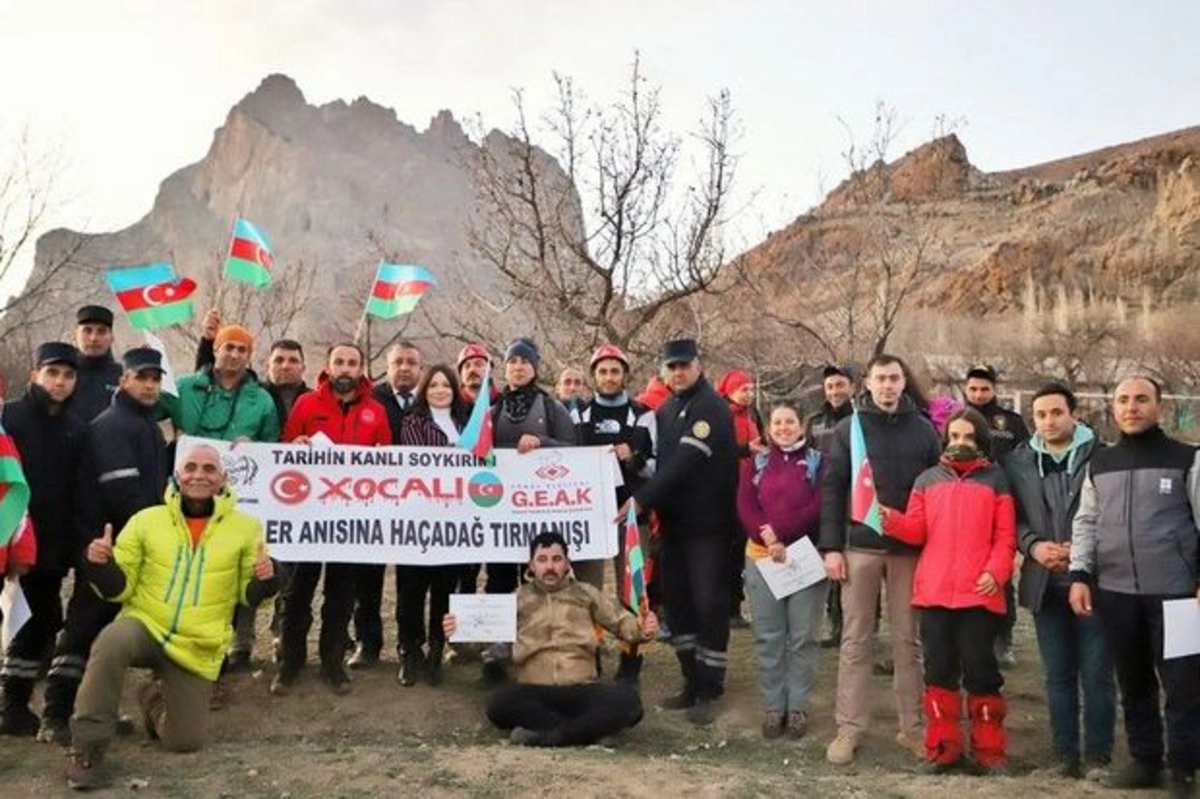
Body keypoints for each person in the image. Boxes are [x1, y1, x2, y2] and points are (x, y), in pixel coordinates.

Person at [64, 444, 277, 790]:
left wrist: (267, 580)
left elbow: (247, 596)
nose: (199, 475)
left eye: (209, 469)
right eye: (190, 467)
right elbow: (120, 590)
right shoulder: (146, 520)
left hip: (197, 642)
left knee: (184, 742)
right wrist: (100, 566)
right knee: (111, 641)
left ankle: (152, 700)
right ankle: (87, 747)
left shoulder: (246, 528)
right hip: (146, 626)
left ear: (222, 479)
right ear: (178, 475)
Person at [1069, 377, 1200, 796]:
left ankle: (1183, 768)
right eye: (1123, 400)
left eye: (1141, 399)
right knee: (1134, 679)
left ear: (1159, 407)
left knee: (1183, 684)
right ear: (1113, 408)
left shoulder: (1188, 459)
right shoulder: (1100, 463)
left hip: (1178, 596)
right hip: (1117, 594)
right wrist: (1079, 575)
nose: (1131, 407)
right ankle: (1146, 760)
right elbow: (1086, 523)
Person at [39, 347, 169, 745]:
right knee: (83, 628)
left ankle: (95, 711)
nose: (148, 385)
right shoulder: (114, 425)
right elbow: (123, 494)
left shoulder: (143, 423)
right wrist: (158, 535)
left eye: (154, 379)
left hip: (127, 545)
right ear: (124, 379)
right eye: (141, 378)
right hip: (107, 547)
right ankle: (55, 715)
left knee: (108, 635)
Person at [819, 353, 941, 765]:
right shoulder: (847, 429)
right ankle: (849, 728)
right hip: (859, 547)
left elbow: (934, 493)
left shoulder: (925, 431)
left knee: (908, 641)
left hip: (908, 551)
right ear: (867, 384)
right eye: (880, 379)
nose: (888, 385)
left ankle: (913, 727)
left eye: (894, 378)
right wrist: (831, 547)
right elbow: (833, 489)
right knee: (856, 640)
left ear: (903, 383)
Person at [880, 408, 1017, 775]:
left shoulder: (996, 480)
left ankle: (990, 752)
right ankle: (943, 749)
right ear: (945, 440)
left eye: (969, 436)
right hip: (936, 592)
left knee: (982, 672)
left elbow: (1005, 538)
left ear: (981, 440)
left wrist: (996, 572)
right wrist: (891, 521)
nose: (961, 443)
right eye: (954, 436)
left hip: (979, 593)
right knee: (939, 672)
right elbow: (916, 530)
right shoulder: (926, 480)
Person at [445, 532, 656, 747]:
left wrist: (642, 628)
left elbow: (621, 623)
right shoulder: (516, 599)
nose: (550, 567)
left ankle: (547, 736)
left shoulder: (586, 593)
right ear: (531, 566)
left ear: (567, 564)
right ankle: (586, 733)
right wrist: (457, 634)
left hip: (581, 689)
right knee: (499, 702)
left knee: (629, 702)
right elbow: (478, 643)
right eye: (542, 560)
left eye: (556, 559)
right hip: (535, 691)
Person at [624, 338, 738, 726]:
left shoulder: (710, 407)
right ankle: (690, 680)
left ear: (698, 365)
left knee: (709, 605)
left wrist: (640, 500)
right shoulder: (668, 409)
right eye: (671, 367)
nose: (677, 372)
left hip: (709, 528)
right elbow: (657, 464)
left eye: (684, 365)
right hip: (673, 527)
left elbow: (686, 462)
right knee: (679, 604)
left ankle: (710, 687)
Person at [1005, 383, 1114, 780]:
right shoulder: (1018, 461)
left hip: (1094, 582)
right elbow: (1012, 517)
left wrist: (1082, 550)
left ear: (1074, 414)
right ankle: (1064, 756)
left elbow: (1116, 514)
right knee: (1058, 674)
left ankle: (1099, 757)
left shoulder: (1103, 458)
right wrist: (1033, 547)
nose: (1049, 421)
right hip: (1044, 583)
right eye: (1041, 414)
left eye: (1056, 412)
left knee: (1098, 673)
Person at [272, 343, 391, 697]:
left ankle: (332, 662)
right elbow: (284, 447)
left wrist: (384, 458)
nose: (345, 369)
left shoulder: (375, 411)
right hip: (308, 518)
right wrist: (295, 444)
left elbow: (388, 462)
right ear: (328, 366)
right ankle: (290, 663)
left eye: (352, 363)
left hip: (350, 521)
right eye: (339, 362)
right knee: (296, 594)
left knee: (340, 596)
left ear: (361, 369)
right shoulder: (307, 404)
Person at [192, 313, 308, 669]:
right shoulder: (255, 393)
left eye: (293, 361)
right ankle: (236, 643)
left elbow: (274, 440)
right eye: (279, 360)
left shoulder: (310, 399)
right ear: (268, 363)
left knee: (280, 573)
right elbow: (206, 388)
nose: (286, 366)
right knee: (237, 569)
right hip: (240, 497)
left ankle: (279, 635)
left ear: (303, 366)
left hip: (292, 501)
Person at [167, 323, 280, 673]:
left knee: (241, 562)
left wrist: (255, 448)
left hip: (240, 497)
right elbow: (145, 410)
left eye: (241, 349)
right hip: (187, 493)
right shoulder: (184, 388)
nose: (234, 354)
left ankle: (241, 640)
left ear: (249, 356)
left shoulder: (261, 399)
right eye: (228, 346)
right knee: (191, 564)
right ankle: (187, 639)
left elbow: (273, 446)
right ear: (215, 349)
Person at [0, 343, 87, 736]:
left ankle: (14, 704)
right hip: (7, 535)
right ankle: (11, 705)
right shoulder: (9, 418)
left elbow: (74, 488)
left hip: (49, 547)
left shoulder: (76, 428)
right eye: (53, 373)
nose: (60, 382)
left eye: (68, 375)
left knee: (40, 621)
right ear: (35, 374)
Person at [479, 338, 577, 680]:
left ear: (535, 367)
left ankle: (547, 647)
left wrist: (543, 443)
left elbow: (573, 450)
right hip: (501, 514)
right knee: (500, 579)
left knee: (542, 580)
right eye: (512, 362)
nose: (518, 367)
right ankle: (498, 647)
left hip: (541, 513)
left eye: (524, 361)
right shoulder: (492, 410)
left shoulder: (551, 408)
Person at [737, 402, 825, 740]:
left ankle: (798, 706)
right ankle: (775, 706)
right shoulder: (753, 464)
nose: (784, 427)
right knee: (769, 636)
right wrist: (767, 535)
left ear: (801, 426)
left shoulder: (818, 463)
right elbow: (746, 505)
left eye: (790, 422)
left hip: (804, 558)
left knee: (803, 635)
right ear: (769, 428)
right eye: (777, 422)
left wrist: (781, 533)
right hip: (763, 557)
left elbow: (817, 506)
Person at [571, 344, 657, 683]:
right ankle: (589, 656)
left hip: (631, 516)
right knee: (588, 591)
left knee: (632, 592)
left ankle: (630, 660)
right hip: (590, 516)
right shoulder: (579, 413)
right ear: (594, 376)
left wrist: (632, 457)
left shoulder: (643, 414)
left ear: (625, 375)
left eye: (615, 371)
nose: (609, 377)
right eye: (602, 371)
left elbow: (655, 468)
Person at [349, 340, 423, 670]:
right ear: (388, 367)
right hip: (372, 504)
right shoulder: (370, 399)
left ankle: (410, 646)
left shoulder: (431, 398)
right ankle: (367, 643)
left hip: (417, 506)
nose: (405, 368)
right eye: (398, 362)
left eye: (411, 362)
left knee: (411, 582)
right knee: (366, 578)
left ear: (420, 370)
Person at [395, 364, 469, 687]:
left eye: (446, 385)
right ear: (424, 390)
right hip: (417, 521)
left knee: (444, 592)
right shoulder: (413, 422)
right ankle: (410, 651)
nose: (440, 390)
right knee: (410, 593)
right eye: (434, 385)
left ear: (455, 390)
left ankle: (437, 650)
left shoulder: (468, 424)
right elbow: (420, 463)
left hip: (455, 523)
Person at [964, 364, 1029, 669]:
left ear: (994, 389)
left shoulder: (1011, 422)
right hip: (962, 506)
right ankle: (965, 638)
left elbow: (1026, 463)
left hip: (1001, 505)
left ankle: (1003, 639)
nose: (978, 394)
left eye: (984, 389)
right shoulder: (955, 419)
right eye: (973, 388)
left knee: (1001, 575)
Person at [805, 364, 857, 650]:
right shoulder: (813, 420)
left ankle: (860, 624)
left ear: (852, 387)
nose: (835, 391)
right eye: (830, 387)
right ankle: (834, 621)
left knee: (854, 566)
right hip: (821, 501)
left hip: (852, 501)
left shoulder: (861, 419)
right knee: (828, 562)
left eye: (840, 385)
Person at [717, 369, 765, 630]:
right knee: (730, 550)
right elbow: (717, 450)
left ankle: (739, 604)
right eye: (743, 390)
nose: (749, 394)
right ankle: (728, 607)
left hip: (752, 487)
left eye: (751, 389)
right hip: (726, 488)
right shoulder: (721, 415)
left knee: (745, 548)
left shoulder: (753, 414)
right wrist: (745, 450)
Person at [71, 306, 123, 423]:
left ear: (112, 337)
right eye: (87, 331)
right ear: (75, 335)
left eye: (101, 331)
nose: (94, 338)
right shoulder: (63, 375)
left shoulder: (123, 377)